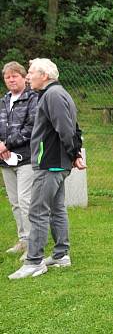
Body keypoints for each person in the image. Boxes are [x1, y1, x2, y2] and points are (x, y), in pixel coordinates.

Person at [9, 58, 85, 280]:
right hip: (56, 162)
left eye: (31, 72)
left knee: (38, 210)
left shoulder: (52, 95)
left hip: (50, 163)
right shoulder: (57, 93)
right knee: (57, 208)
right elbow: (72, 127)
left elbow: (67, 128)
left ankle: (34, 261)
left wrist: (74, 154)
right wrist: (75, 155)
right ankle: (61, 255)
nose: (28, 76)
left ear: (45, 75)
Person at [1, 62, 38, 257]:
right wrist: (1, 145)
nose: (11, 79)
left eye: (15, 76)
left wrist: (7, 144)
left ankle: (33, 244)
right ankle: (23, 239)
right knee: (14, 201)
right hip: (5, 159)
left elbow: (31, 128)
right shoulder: (4, 100)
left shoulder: (32, 99)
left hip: (26, 158)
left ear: (24, 77)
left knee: (25, 200)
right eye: (8, 77)